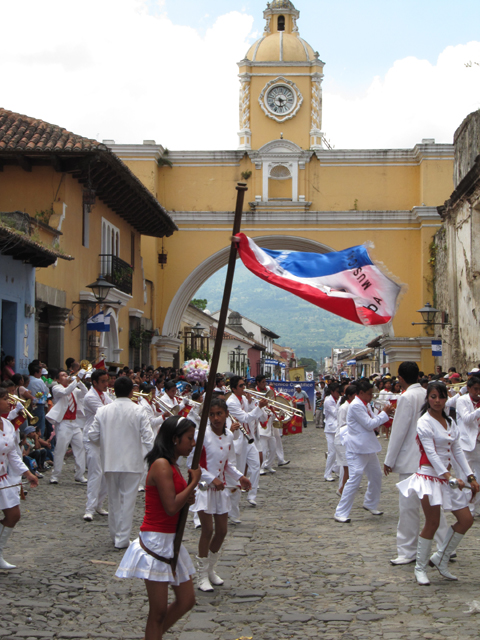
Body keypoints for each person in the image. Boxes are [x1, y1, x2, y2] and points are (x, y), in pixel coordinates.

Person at [115, 415, 200, 639]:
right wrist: (192, 483)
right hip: (156, 539)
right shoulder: (161, 465)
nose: (193, 444)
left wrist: (187, 496)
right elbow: (171, 506)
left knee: (186, 600)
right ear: (174, 439)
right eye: (189, 438)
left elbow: (175, 501)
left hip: (171, 539)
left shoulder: (172, 465)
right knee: (158, 611)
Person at [397, 382, 480, 584]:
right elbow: (431, 453)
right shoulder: (424, 422)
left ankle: (440, 558)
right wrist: (448, 477)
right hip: (429, 477)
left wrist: (470, 476)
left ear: (446, 398)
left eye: (441, 397)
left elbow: (457, 450)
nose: (437, 401)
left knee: (466, 520)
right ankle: (420, 568)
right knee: (432, 523)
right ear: (428, 398)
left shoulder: (450, 422)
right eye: (433, 397)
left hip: (447, 478)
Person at [384, 362, 450, 565]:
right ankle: (446, 544)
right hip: (429, 459)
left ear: (401, 378)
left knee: (409, 507)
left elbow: (399, 430)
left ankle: (407, 550)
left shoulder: (406, 397)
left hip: (412, 459)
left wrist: (389, 459)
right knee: (433, 505)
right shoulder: (427, 393)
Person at [190, 398, 251, 591]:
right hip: (204, 489)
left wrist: (240, 477)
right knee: (207, 530)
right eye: (212, 414)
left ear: (226, 414)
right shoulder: (202, 435)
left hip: (221, 489)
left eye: (219, 414)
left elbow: (227, 464)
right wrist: (210, 479)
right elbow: (192, 465)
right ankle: (201, 576)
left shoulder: (228, 436)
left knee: (222, 531)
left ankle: (210, 569)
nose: (216, 418)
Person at [88, 376, 154, 549]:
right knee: (128, 501)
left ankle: (115, 534)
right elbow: (148, 438)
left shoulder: (103, 411)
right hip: (132, 461)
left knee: (114, 500)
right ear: (132, 391)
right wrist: (154, 458)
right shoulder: (139, 410)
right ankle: (122, 538)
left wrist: (106, 442)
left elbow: (92, 435)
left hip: (110, 460)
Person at [334, 379, 394, 523]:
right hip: (356, 448)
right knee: (354, 478)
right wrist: (384, 414)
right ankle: (340, 512)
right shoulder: (356, 406)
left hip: (367, 446)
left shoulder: (365, 405)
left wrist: (384, 415)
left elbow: (373, 421)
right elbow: (369, 424)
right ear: (361, 393)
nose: (371, 397)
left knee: (376, 475)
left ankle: (370, 503)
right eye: (369, 394)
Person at [0, 387, 39, 569]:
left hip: (4, 478)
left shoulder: (7, 424)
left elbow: (13, 455)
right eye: (5, 399)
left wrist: (28, 473)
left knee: (13, 515)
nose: (10, 402)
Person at [226, 376, 268, 521]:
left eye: (245, 385)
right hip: (239, 439)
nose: (244, 388)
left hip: (249, 438)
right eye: (241, 385)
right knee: (236, 474)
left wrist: (252, 403)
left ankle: (252, 495)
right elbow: (245, 418)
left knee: (256, 465)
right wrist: (258, 407)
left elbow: (253, 415)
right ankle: (233, 512)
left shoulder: (243, 399)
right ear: (233, 389)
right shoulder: (231, 402)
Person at [46, 368, 88, 485]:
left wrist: (79, 381)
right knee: (61, 449)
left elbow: (85, 393)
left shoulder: (74, 389)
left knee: (80, 447)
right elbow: (66, 392)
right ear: (58, 379)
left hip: (74, 423)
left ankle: (80, 474)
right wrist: (76, 380)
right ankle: (55, 475)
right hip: (63, 423)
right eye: (63, 376)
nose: (66, 377)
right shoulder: (56, 388)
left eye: (66, 375)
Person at [82, 369, 113, 522]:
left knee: (106, 472)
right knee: (95, 473)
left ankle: (99, 504)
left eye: (107, 381)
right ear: (94, 382)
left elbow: (112, 406)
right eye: (103, 381)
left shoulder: (104, 394)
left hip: (104, 438)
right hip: (91, 438)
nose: (106, 384)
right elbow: (105, 412)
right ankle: (89, 509)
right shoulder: (90, 396)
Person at [455, 375, 480, 516]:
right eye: (475, 389)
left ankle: (477, 508)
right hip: (466, 444)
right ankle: (467, 509)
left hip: (479, 443)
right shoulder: (462, 400)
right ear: (469, 388)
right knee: (465, 477)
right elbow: (466, 419)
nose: (477, 392)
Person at [335, 385, 356, 496]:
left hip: (346, 438)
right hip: (343, 439)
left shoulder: (351, 406)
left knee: (348, 467)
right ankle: (342, 489)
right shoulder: (344, 407)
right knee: (346, 468)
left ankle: (344, 489)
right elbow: (343, 425)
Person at [324, 383, 340, 482]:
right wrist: (340, 403)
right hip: (330, 429)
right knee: (332, 452)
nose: (339, 394)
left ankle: (336, 469)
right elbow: (335, 413)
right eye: (337, 392)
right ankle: (327, 474)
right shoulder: (328, 401)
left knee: (339, 451)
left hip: (337, 428)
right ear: (332, 392)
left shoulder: (336, 399)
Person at [26, 363, 49, 438]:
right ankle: (39, 441)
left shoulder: (27, 379)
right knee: (39, 426)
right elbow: (45, 391)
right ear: (35, 373)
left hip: (29, 404)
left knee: (31, 426)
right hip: (38, 404)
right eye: (40, 372)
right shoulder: (39, 381)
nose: (41, 374)